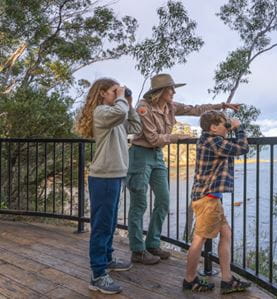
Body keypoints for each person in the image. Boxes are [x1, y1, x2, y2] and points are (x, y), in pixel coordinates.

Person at [127, 73, 240, 264]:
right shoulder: (143, 108)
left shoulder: (170, 106)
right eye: (171, 88)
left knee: (163, 201)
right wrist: (176, 137)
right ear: (160, 91)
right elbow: (153, 138)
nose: (173, 91)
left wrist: (221, 105)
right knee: (139, 204)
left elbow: (195, 109)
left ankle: (152, 243)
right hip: (140, 155)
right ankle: (137, 250)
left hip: (157, 156)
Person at [75, 78, 142, 294]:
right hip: (103, 177)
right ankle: (97, 274)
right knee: (102, 227)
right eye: (114, 91)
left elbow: (136, 127)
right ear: (103, 93)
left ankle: (107, 258)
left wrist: (129, 104)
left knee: (110, 223)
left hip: (114, 175)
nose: (118, 93)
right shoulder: (102, 112)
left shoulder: (115, 114)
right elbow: (119, 114)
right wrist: (122, 99)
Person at [183, 110, 251, 294]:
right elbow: (242, 148)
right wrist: (239, 128)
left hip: (210, 198)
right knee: (199, 239)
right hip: (208, 199)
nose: (227, 128)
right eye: (224, 124)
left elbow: (231, 147)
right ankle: (189, 279)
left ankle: (227, 279)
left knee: (226, 233)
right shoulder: (213, 141)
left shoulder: (209, 140)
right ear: (213, 127)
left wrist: (231, 130)